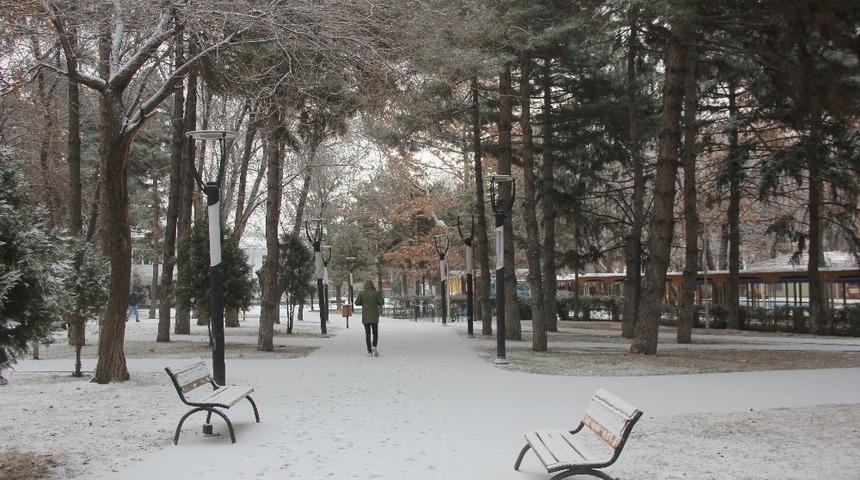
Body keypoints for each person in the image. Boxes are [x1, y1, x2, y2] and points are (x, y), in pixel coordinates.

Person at [354, 280, 384, 357]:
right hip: (374, 316)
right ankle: (374, 345)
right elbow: (381, 302)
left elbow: (357, 303)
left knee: (367, 334)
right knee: (375, 333)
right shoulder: (376, 293)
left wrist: (363, 302)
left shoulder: (362, 293)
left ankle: (369, 351)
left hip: (366, 316)